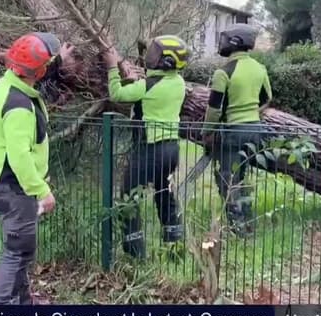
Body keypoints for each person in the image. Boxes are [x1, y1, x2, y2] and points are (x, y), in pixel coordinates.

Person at [0, 32, 75, 305]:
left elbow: (36, 71)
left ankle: (23, 303)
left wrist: (59, 61)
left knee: (22, 249)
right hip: (12, 186)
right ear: (39, 70)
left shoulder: (8, 83)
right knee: (17, 251)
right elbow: (19, 157)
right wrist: (42, 190)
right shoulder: (19, 106)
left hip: (4, 182)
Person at [102, 36, 188, 259]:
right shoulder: (178, 82)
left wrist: (112, 67)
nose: (151, 57)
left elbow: (117, 94)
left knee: (129, 197)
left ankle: (134, 253)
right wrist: (133, 80)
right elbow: (149, 94)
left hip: (148, 149)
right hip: (171, 150)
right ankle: (175, 247)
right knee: (164, 195)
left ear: (166, 61)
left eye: (155, 54)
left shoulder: (148, 85)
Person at [201, 23, 273, 237]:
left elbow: (214, 108)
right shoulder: (260, 68)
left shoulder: (223, 72)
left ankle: (239, 229)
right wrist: (253, 114)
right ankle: (248, 220)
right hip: (256, 130)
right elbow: (267, 98)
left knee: (227, 179)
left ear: (234, 42)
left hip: (232, 131)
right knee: (242, 176)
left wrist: (207, 131)